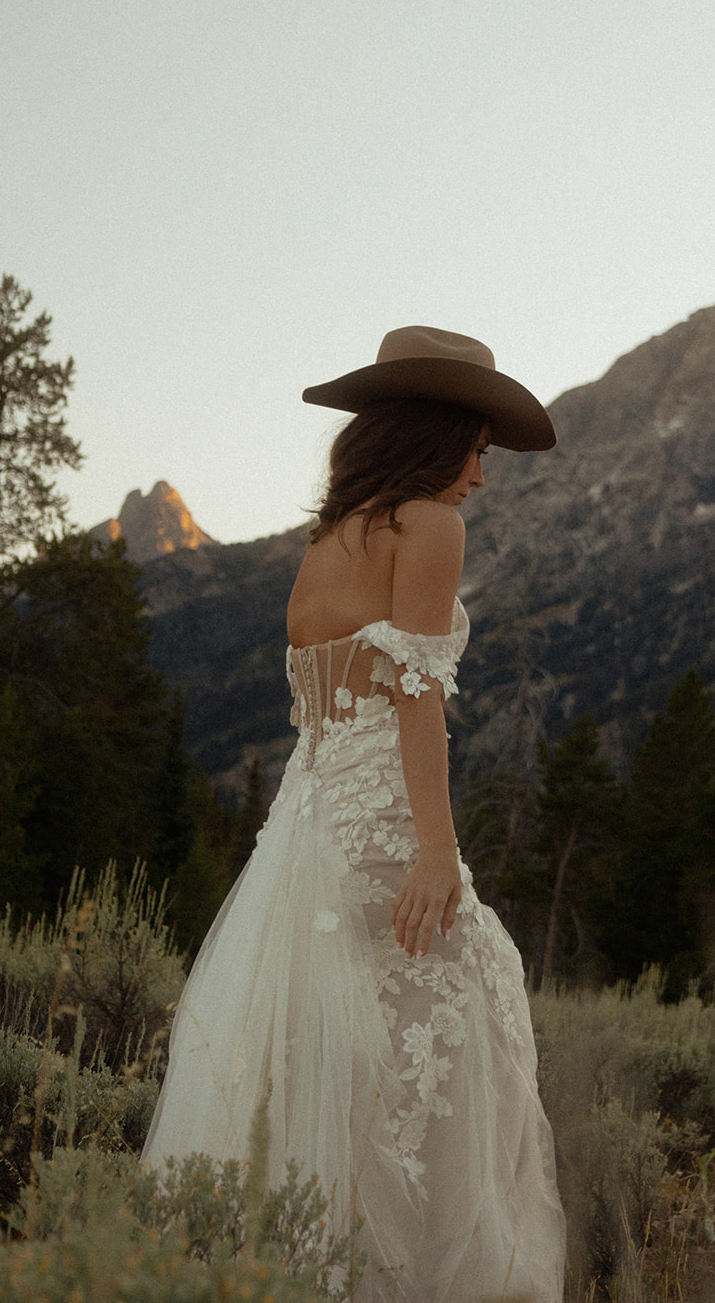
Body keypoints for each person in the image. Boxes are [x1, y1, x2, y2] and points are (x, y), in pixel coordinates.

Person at [143, 326, 566, 1301]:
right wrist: (437, 851)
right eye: (476, 448)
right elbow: (414, 692)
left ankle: (317, 1272)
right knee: (459, 1046)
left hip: (302, 844)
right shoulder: (427, 525)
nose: (480, 475)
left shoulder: (325, 545)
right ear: (437, 435)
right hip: (382, 841)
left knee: (335, 1082)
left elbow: (324, 714)